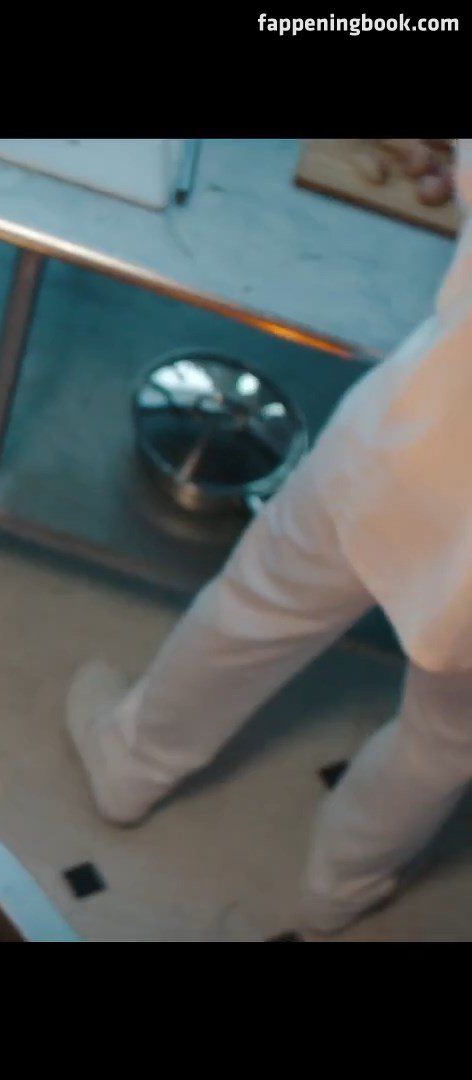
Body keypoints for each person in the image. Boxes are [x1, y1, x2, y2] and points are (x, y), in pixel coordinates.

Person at [64, 141, 472, 937]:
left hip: (412, 452)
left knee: (260, 610)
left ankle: (131, 764)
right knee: (447, 740)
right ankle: (342, 887)